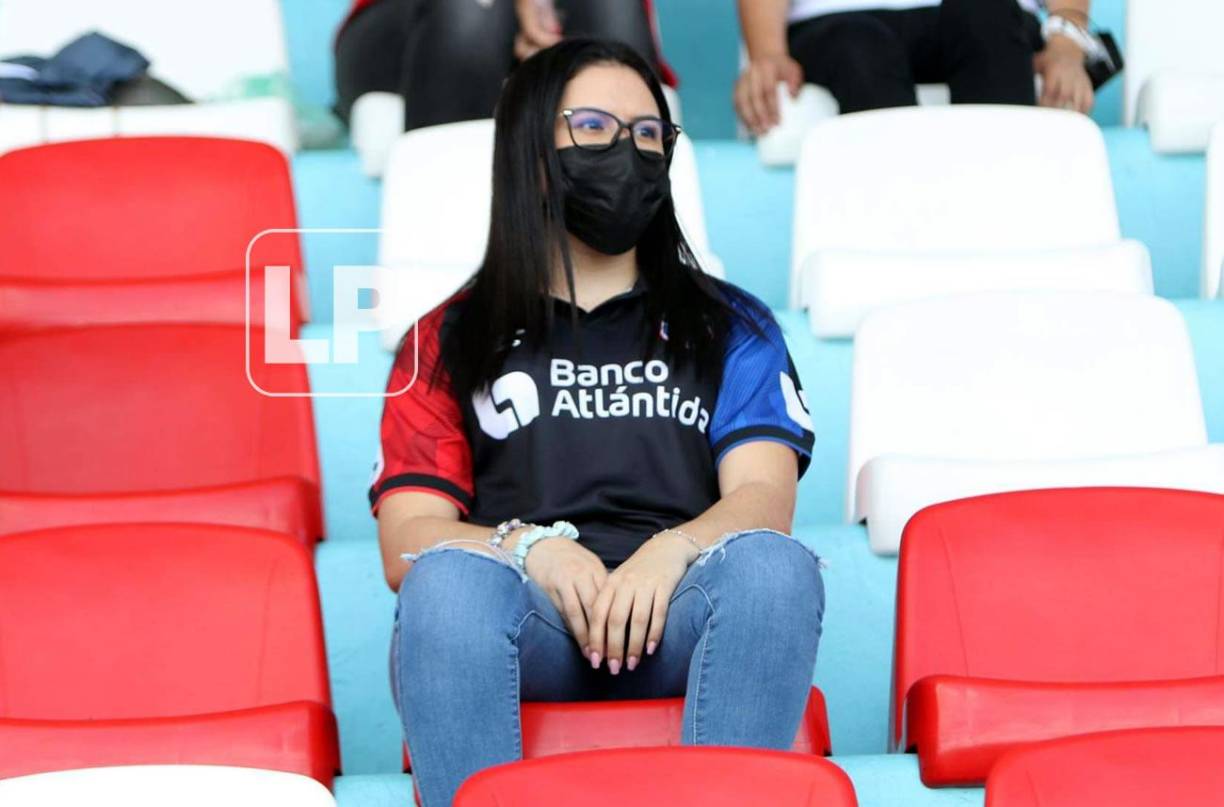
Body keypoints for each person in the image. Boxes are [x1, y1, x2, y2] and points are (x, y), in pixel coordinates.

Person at [369, 38, 824, 807]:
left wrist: (669, 551)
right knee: (443, 584)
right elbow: (407, 536)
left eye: (648, 133)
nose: (626, 151)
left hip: (680, 611)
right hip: (528, 618)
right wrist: (533, 549)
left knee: (774, 568)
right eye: (592, 128)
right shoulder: (444, 338)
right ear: (531, 151)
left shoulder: (732, 324)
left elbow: (763, 500)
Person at [736, 0, 1098, 136]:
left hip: (988, 14)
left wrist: (1066, 46)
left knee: (986, 17)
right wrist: (767, 53)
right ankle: (901, 220)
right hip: (833, 22)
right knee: (859, 47)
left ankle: (1006, 206)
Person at [334, 0, 676, 130]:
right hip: (406, 27)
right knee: (470, 14)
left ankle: (618, 235)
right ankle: (450, 230)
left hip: (572, 15)